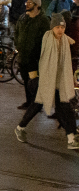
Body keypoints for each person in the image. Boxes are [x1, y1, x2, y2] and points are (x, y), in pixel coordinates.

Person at [15, 13, 78, 150]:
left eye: (62, 27)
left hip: (58, 80)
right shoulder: (44, 40)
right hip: (44, 79)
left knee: (63, 106)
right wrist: (34, 76)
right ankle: (20, 127)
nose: (60, 30)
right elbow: (32, 56)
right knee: (38, 104)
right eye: (57, 27)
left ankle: (71, 138)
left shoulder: (66, 41)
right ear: (52, 28)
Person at [15, 0, 50, 109]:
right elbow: (16, 32)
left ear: (37, 6)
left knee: (34, 81)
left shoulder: (43, 20)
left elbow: (45, 38)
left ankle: (36, 104)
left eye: (30, 3)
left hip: (34, 57)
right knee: (26, 80)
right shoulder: (23, 18)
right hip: (23, 55)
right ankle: (29, 101)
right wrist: (18, 45)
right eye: (27, 3)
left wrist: (38, 52)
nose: (27, 5)